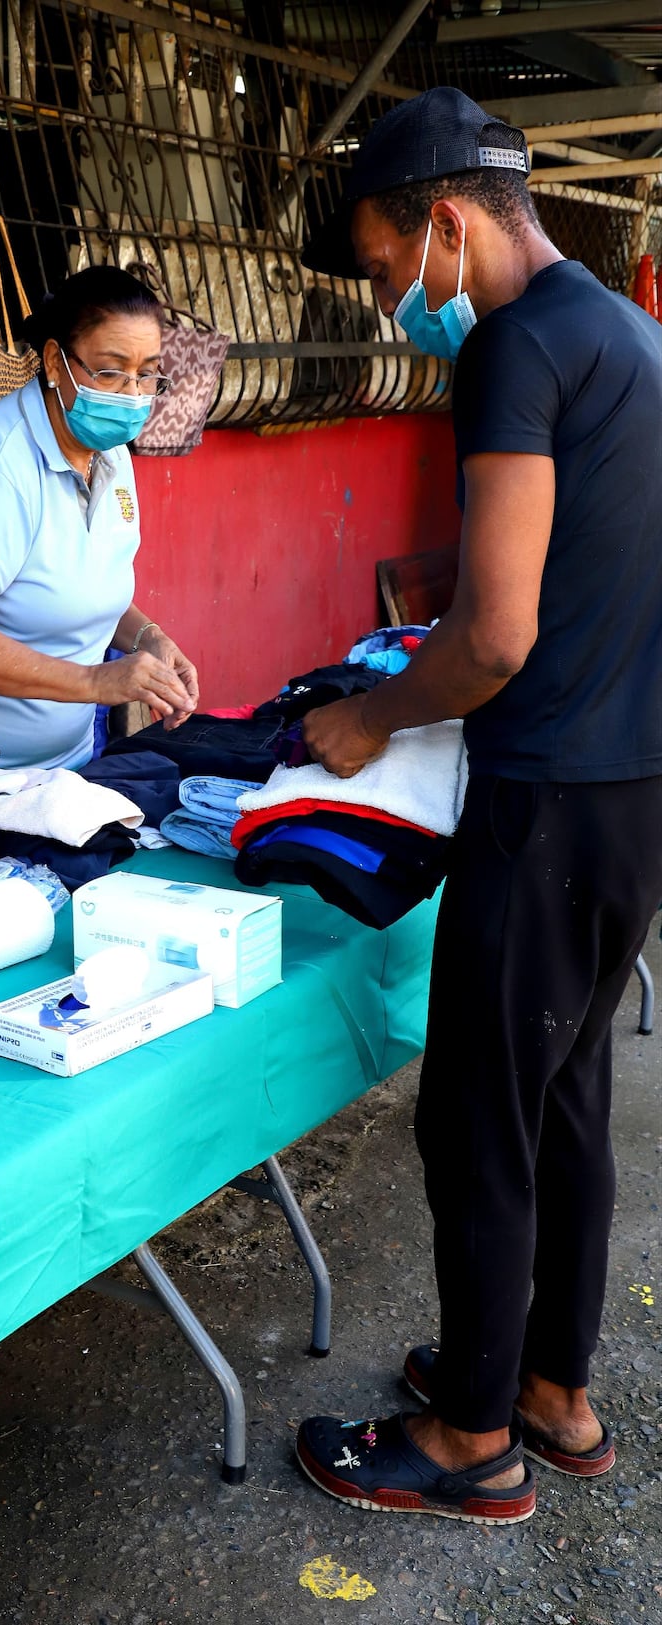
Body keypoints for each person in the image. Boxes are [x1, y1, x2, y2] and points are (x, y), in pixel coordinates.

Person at [294, 87, 662, 1525]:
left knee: (479, 1119)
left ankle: (468, 1440)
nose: (395, 302)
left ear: (447, 224)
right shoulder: (629, 336)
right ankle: (550, 1391)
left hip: (547, 797)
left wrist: (369, 714)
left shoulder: (516, 346)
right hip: (635, 792)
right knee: (564, 1094)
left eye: (388, 267)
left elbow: (495, 635)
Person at [0, 266, 200, 833]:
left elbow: (76, 587)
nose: (132, 394)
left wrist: (149, 638)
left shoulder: (109, 454)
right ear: (54, 362)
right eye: (110, 372)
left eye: (148, 374)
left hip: (61, 767)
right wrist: (97, 683)